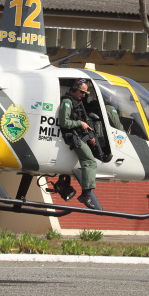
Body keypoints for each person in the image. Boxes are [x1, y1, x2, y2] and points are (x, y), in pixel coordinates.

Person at [58, 79, 102, 210]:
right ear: (74, 89)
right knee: (90, 161)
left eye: (85, 93)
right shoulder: (67, 102)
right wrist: (80, 124)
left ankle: (86, 193)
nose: (84, 95)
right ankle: (86, 194)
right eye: (82, 92)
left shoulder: (77, 103)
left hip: (78, 135)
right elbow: (64, 122)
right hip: (72, 137)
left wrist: (89, 136)